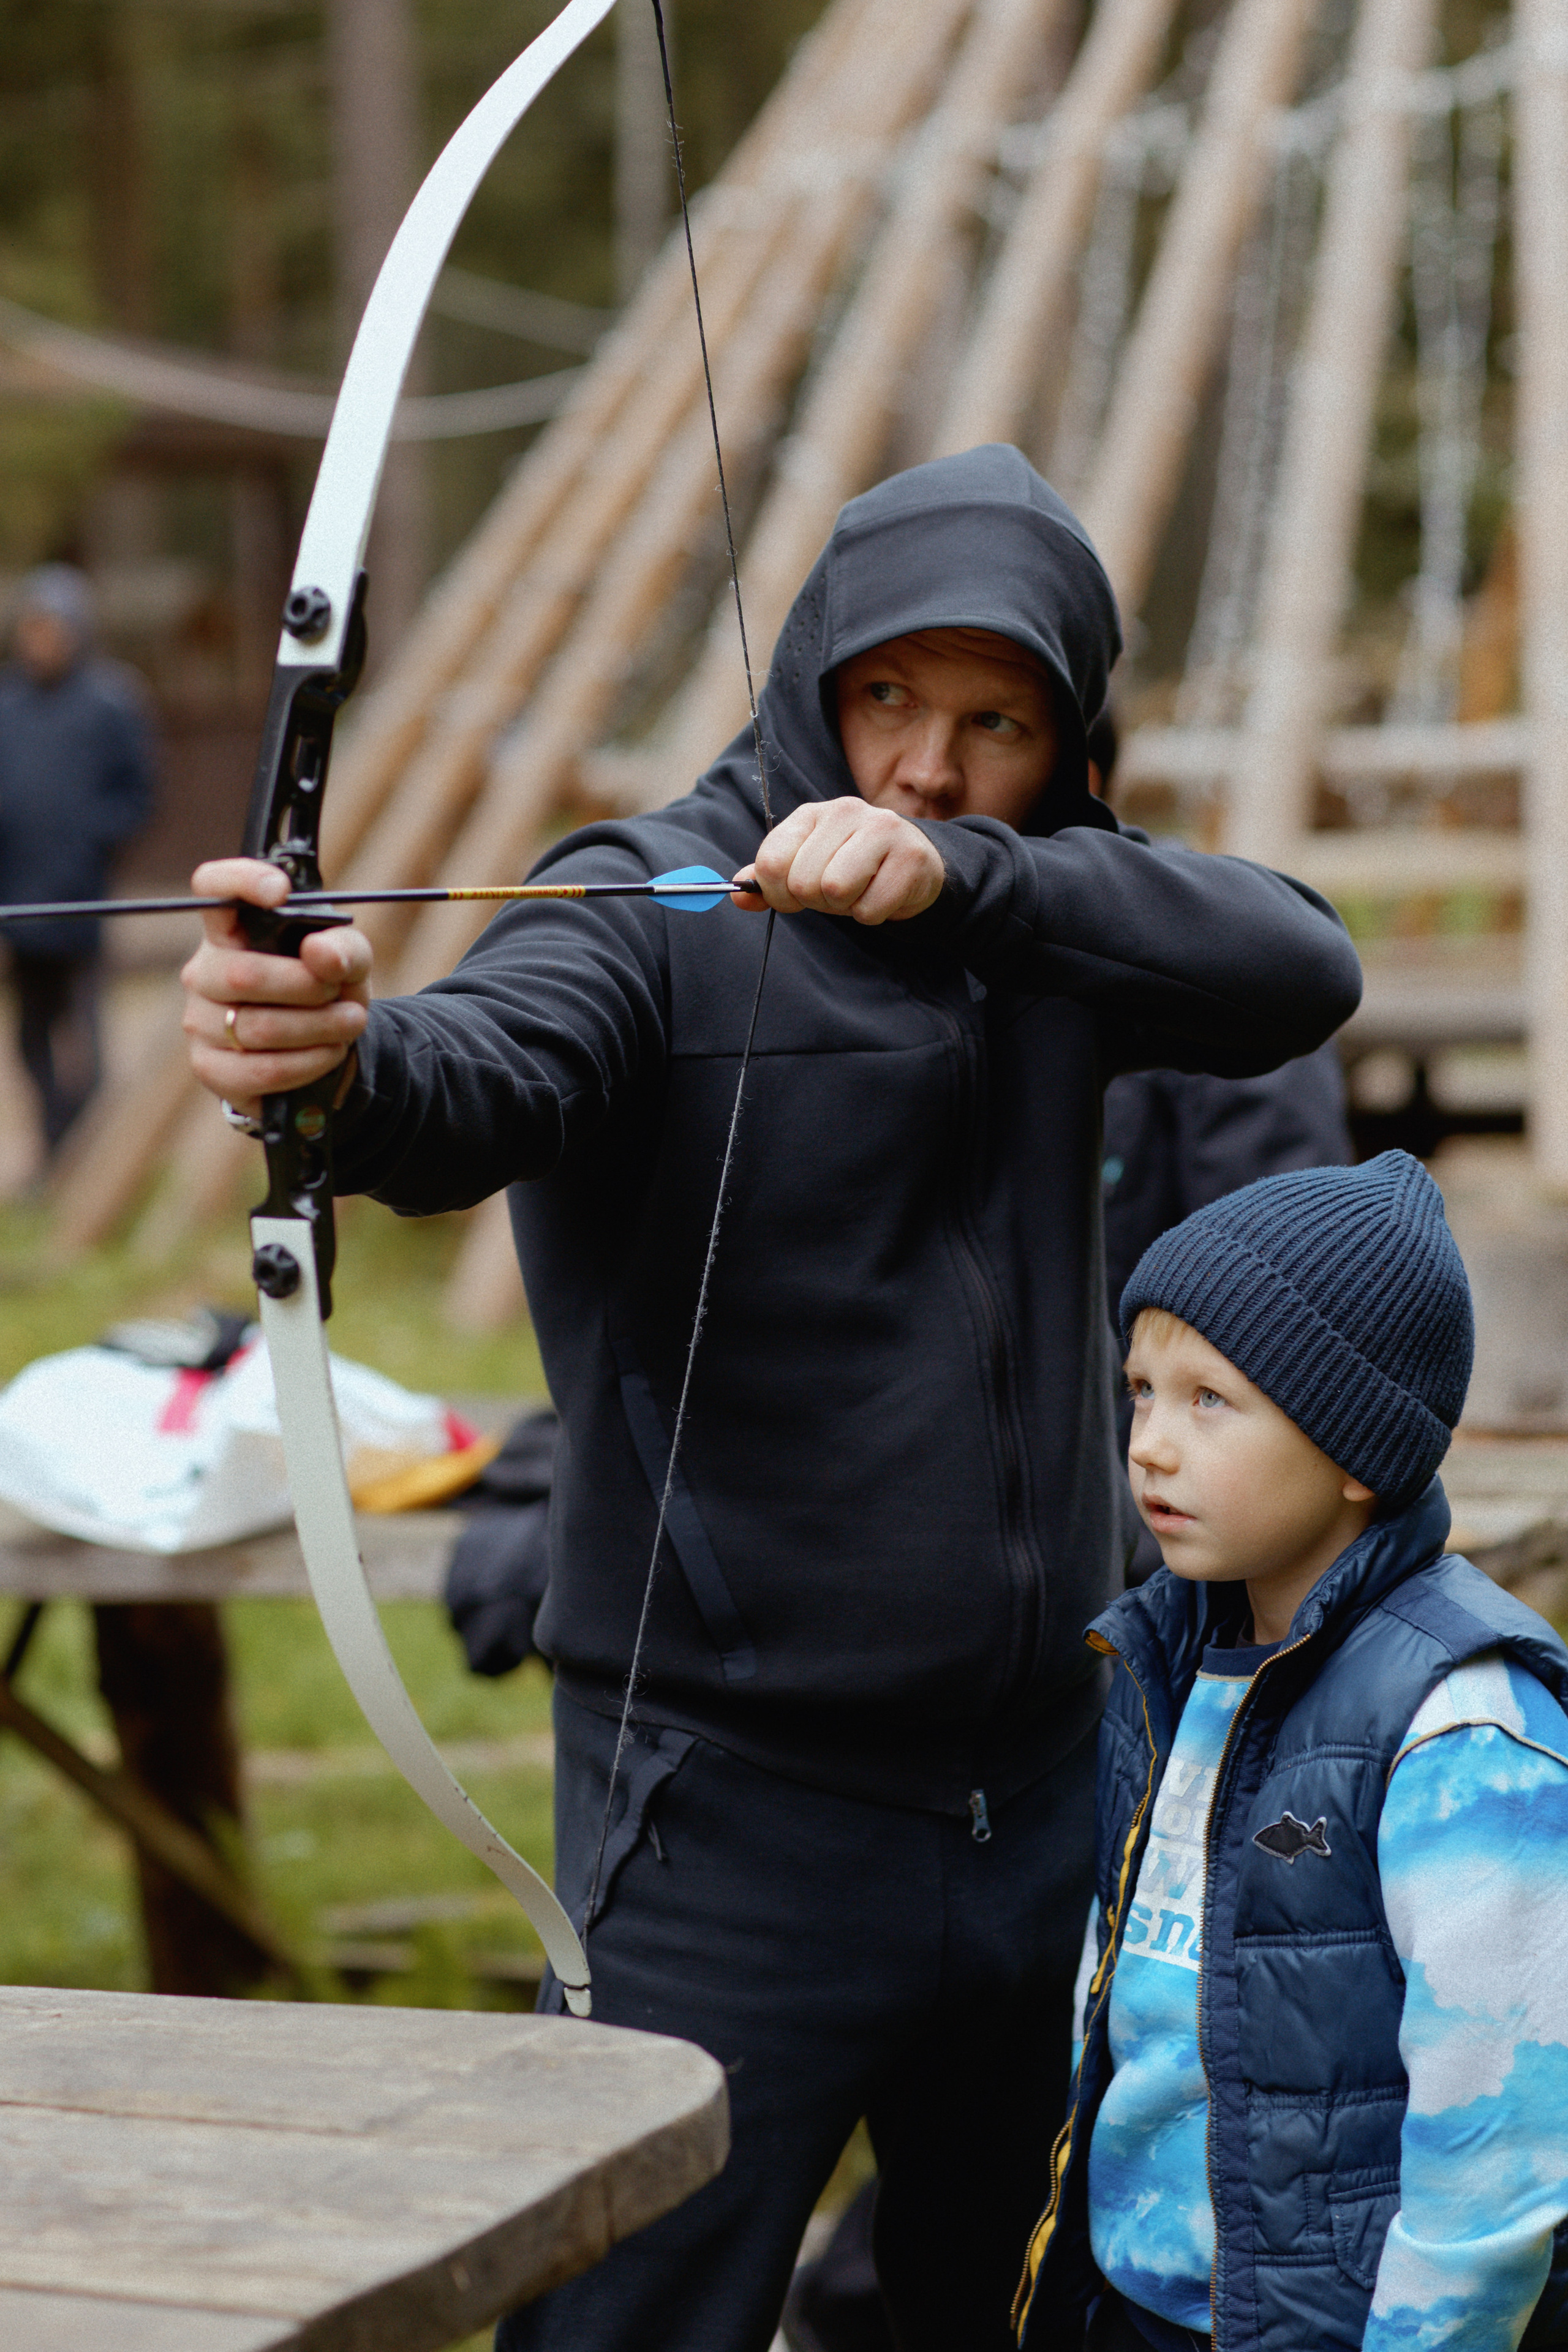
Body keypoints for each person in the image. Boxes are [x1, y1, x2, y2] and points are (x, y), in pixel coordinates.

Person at [181, 444, 1362, 2352]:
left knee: (1032, 2311)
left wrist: (972, 881)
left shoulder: (1045, 922)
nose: (923, 765)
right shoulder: (644, 898)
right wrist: (332, 1064)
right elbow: (478, 1068)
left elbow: (1302, 964)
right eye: (887, 696)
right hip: (726, 1825)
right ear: (813, 672)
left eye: (994, 724)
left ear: (1067, 752)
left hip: (1049, 1792)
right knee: (631, 2319)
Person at [1017, 1151, 1568, 2352]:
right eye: (1140, 1391)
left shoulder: (1460, 1725)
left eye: (1208, 1401)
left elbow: (1499, 2157)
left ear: (1355, 1450)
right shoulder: (1159, 1661)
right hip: (1139, 2310)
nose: (1148, 1444)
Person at [0, 564, 156, 1154]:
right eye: (31, 628)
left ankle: (92, 1149)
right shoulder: (8, 706)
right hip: (19, 898)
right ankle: (55, 1139)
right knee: (29, 1035)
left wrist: (90, 844)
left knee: (85, 1036)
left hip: (79, 897)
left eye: (51, 628)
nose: (40, 641)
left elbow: (137, 794)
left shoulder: (111, 702)